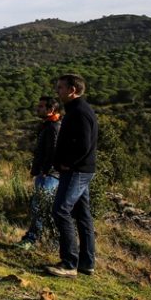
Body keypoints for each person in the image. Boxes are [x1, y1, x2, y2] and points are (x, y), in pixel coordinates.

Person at [46, 73, 98, 277]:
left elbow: (84, 145)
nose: (57, 91)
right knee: (83, 215)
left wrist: (68, 163)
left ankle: (69, 263)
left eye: (60, 87)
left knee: (60, 210)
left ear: (72, 90)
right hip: (82, 170)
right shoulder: (78, 110)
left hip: (76, 171)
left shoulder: (79, 112)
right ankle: (87, 262)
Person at [18, 96, 61, 248]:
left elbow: (54, 151)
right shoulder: (47, 126)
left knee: (40, 207)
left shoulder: (53, 127)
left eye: (41, 106)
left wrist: (45, 170)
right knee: (41, 207)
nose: (38, 109)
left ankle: (32, 240)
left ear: (51, 109)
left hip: (49, 175)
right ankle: (44, 240)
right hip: (46, 173)